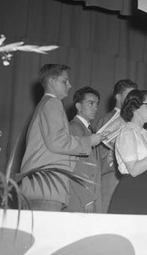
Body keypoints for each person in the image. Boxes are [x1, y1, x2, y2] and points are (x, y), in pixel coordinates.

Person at [20, 64, 104, 211]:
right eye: (65, 81)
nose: (69, 85)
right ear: (52, 81)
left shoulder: (45, 104)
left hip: (40, 186)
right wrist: (89, 141)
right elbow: (57, 142)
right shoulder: (53, 103)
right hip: (47, 187)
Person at [95, 79, 137, 212]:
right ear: (118, 97)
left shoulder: (136, 120)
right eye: (129, 95)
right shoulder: (106, 120)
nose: (133, 99)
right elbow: (97, 154)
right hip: (112, 176)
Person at [66, 86, 102, 213]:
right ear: (78, 106)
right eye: (90, 103)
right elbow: (76, 167)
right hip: (80, 199)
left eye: (97, 104)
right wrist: (87, 199)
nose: (95, 108)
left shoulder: (89, 130)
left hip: (89, 196)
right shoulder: (74, 128)